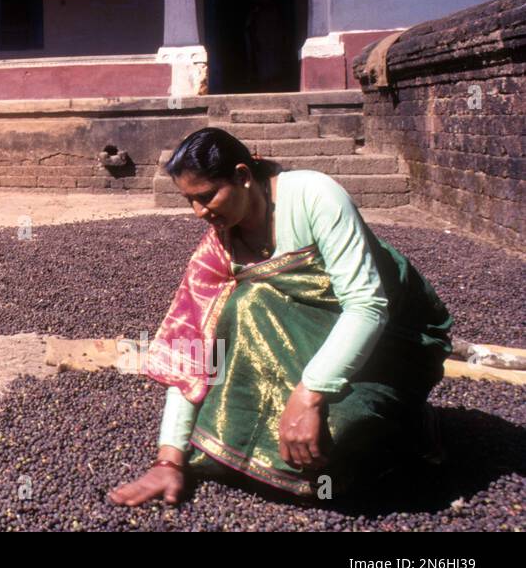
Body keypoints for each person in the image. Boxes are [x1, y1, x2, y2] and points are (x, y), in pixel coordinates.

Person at [108, 127, 453, 506]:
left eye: (206, 197)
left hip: (393, 342)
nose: (198, 212)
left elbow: (367, 306)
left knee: (337, 439)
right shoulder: (219, 244)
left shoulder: (314, 195)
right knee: (243, 304)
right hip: (301, 341)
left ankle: (412, 420)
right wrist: (169, 459)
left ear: (242, 176)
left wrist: (309, 395)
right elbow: (190, 345)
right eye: (189, 200)